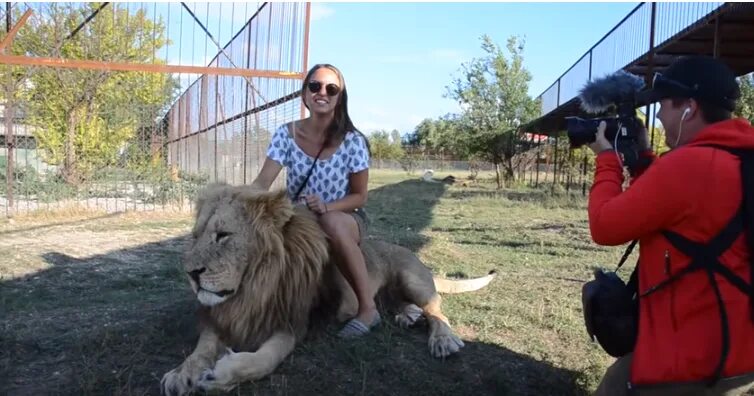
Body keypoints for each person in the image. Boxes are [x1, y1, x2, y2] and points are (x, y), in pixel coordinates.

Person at [587, 55, 754, 395]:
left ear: (689, 108)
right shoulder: (739, 156)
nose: (659, 116)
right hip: (741, 347)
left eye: (663, 106)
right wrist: (646, 161)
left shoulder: (689, 165)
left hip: (691, 355)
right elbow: (687, 215)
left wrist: (607, 160)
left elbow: (604, 226)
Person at [250, 63, 380, 338]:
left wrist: (327, 207)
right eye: (315, 86)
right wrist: (240, 203)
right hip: (301, 218)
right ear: (305, 94)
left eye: (331, 88)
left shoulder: (353, 141)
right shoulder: (286, 134)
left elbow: (360, 196)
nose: (322, 92)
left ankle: (368, 308)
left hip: (345, 218)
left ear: (340, 97)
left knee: (331, 221)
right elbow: (262, 183)